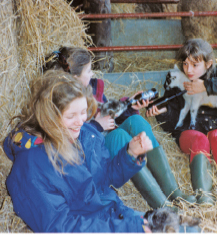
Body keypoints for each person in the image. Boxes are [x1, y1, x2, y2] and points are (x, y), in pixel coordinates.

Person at [43, 47, 197, 209]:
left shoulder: (90, 89)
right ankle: (163, 206)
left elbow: (108, 110)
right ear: (75, 78)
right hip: (88, 159)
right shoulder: (61, 102)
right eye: (89, 71)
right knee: (120, 137)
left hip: (100, 142)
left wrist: (129, 104)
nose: (92, 74)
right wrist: (97, 125)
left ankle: (174, 193)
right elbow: (71, 143)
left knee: (137, 121)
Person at [3, 70, 155, 232]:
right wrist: (128, 228)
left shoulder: (84, 135)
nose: (81, 121)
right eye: (71, 116)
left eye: (83, 113)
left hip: (114, 216)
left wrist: (130, 155)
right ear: (49, 116)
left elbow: (104, 179)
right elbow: (62, 227)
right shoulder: (32, 167)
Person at [146, 39, 217, 215]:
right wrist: (162, 111)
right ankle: (204, 197)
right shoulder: (178, 78)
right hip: (190, 130)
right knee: (200, 139)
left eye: (195, 65)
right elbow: (173, 121)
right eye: (186, 64)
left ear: (208, 64)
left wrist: (206, 86)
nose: (189, 70)